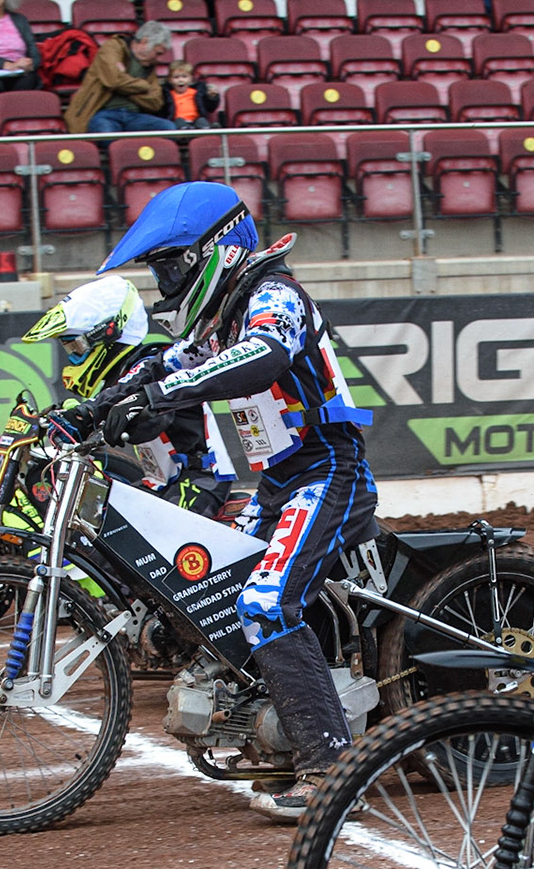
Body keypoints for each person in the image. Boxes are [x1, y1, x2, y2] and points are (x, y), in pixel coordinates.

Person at [84, 182, 375, 821]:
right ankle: (269, 722)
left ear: (215, 251)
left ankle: (330, 768)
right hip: (278, 484)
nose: (165, 282)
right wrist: (96, 406)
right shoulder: (219, 319)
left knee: (266, 602)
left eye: (171, 266)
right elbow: (160, 368)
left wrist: (161, 398)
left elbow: (263, 357)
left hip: (328, 471)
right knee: (213, 583)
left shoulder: (274, 296)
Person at [24, 274, 235, 515]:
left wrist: (85, 416)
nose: (73, 358)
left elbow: (142, 414)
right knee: (95, 524)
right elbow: (113, 398)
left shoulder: (151, 363)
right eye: (70, 349)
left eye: (77, 348)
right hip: (158, 483)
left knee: (142, 544)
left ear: (107, 334)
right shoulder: (121, 378)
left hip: (198, 483)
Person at [63, 21, 174, 134]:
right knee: (106, 135)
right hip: (103, 113)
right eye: (158, 53)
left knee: (169, 128)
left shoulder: (149, 65)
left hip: (135, 116)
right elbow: (113, 81)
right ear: (144, 42)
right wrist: (143, 85)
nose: (158, 58)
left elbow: (156, 102)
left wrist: (123, 83)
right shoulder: (113, 47)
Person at [164, 59, 218, 128]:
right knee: (178, 121)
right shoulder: (168, 94)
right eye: (176, 77)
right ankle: (185, 131)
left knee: (201, 120)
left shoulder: (197, 92)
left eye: (184, 76)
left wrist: (212, 97)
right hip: (177, 122)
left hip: (196, 121)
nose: (181, 80)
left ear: (191, 79)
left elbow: (210, 107)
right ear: (170, 80)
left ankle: (207, 129)